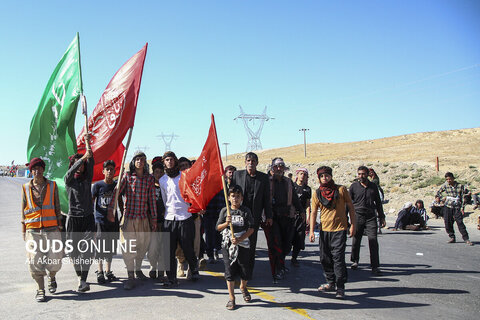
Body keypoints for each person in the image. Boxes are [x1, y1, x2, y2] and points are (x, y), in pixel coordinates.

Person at [309, 166, 356, 299]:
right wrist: (312, 231)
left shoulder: (341, 190)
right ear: (319, 178)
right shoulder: (317, 193)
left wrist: (353, 225)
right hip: (324, 230)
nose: (325, 178)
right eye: (322, 176)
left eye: (327, 176)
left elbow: (351, 207)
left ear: (331, 176)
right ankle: (331, 282)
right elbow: (313, 213)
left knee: (338, 258)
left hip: (340, 229)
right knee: (324, 258)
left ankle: (340, 287)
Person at [114, 151, 158, 290]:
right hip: (129, 219)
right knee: (128, 248)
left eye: (142, 159)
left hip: (143, 219)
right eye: (137, 159)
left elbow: (152, 200)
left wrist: (154, 218)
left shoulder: (149, 179)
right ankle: (130, 276)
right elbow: (117, 193)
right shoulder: (127, 177)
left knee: (143, 246)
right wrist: (113, 209)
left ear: (145, 163)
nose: (140, 162)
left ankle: (138, 270)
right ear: (133, 162)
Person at [22, 157, 63, 302]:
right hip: (33, 230)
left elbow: (57, 206)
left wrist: (60, 227)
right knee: (34, 260)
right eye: (34, 169)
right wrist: (23, 230)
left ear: (43, 170)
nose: (36, 171)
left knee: (56, 259)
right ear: (31, 171)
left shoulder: (52, 185)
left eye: (39, 168)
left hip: (52, 228)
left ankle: (52, 277)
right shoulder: (26, 187)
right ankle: (40, 289)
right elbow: (23, 210)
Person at [231, 152, 273, 280]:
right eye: (248, 160)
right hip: (238, 216)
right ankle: (236, 270)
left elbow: (266, 198)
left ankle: (247, 272)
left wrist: (269, 215)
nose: (251, 163)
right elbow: (230, 194)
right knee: (236, 243)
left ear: (257, 163)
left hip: (253, 217)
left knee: (250, 245)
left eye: (253, 161)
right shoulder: (237, 175)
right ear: (245, 162)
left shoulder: (263, 178)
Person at [160, 151, 199, 287]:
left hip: (185, 216)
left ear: (175, 161)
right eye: (167, 160)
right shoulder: (162, 180)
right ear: (164, 162)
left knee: (187, 247)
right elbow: (165, 200)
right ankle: (171, 278)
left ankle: (194, 269)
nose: (169, 162)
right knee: (168, 250)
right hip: (169, 218)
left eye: (171, 159)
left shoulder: (184, 176)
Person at [64, 134, 95, 292]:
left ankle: (83, 280)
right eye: (78, 164)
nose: (81, 166)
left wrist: (89, 144)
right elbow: (70, 172)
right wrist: (81, 159)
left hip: (88, 218)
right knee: (73, 252)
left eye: (82, 164)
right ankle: (79, 277)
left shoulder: (87, 178)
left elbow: (91, 160)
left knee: (89, 250)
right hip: (74, 219)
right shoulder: (69, 180)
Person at [216, 184, 255, 310]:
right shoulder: (224, 211)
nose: (235, 199)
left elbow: (251, 228)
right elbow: (218, 227)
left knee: (245, 269)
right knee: (230, 270)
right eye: (233, 196)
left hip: (242, 243)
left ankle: (243, 287)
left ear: (242, 198)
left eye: (238, 196)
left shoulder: (245, 211)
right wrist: (226, 223)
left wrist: (240, 239)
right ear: (228, 198)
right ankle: (232, 297)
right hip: (228, 245)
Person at [268, 157, 303, 281]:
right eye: (276, 166)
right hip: (273, 218)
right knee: (276, 244)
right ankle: (279, 268)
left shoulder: (288, 182)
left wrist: (302, 211)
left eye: (281, 166)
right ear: (272, 168)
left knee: (287, 244)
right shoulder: (268, 181)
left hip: (287, 217)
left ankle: (281, 263)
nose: (279, 168)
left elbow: (295, 198)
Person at [349, 166, 385, 275]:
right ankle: (355, 261)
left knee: (373, 241)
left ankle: (375, 266)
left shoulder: (373, 186)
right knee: (356, 239)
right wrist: (346, 219)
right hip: (358, 216)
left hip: (371, 217)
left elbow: (378, 203)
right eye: (359, 174)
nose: (361, 176)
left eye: (363, 174)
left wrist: (382, 217)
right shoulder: (354, 187)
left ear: (367, 174)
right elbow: (348, 203)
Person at [91, 160, 119, 284]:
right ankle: (100, 271)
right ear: (103, 171)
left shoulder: (116, 186)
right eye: (107, 169)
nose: (109, 171)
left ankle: (108, 271)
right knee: (100, 248)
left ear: (114, 171)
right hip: (100, 221)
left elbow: (122, 202)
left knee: (110, 247)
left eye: (111, 169)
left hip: (112, 221)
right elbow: (91, 202)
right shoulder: (97, 186)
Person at [436, 172, 473, 245]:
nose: (449, 181)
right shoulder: (445, 185)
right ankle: (452, 236)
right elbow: (438, 193)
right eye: (447, 179)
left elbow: (465, 196)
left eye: (450, 179)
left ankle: (466, 238)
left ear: (453, 178)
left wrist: (462, 207)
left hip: (457, 207)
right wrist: (441, 198)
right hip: (448, 206)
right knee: (447, 222)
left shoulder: (460, 186)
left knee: (460, 222)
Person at [147, 156, 167, 280]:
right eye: (156, 172)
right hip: (152, 221)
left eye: (160, 172)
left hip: (164, 220)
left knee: (163, 246)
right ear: (153, 173)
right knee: (152, 247)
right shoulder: (149, 187)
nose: (158, 174)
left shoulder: (166, 185)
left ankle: (161, 268)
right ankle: (152, 267)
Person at [291, 168, 311, 267]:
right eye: (301, 174)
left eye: (305, 174)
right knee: (288, 237)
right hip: (291, 216)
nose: (302, 176)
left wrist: (308, 217)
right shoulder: (291, 186)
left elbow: (307, 205)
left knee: (299, 238)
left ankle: (294, 258)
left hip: (301, 216)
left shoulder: (307, 189)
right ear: (297, 175)